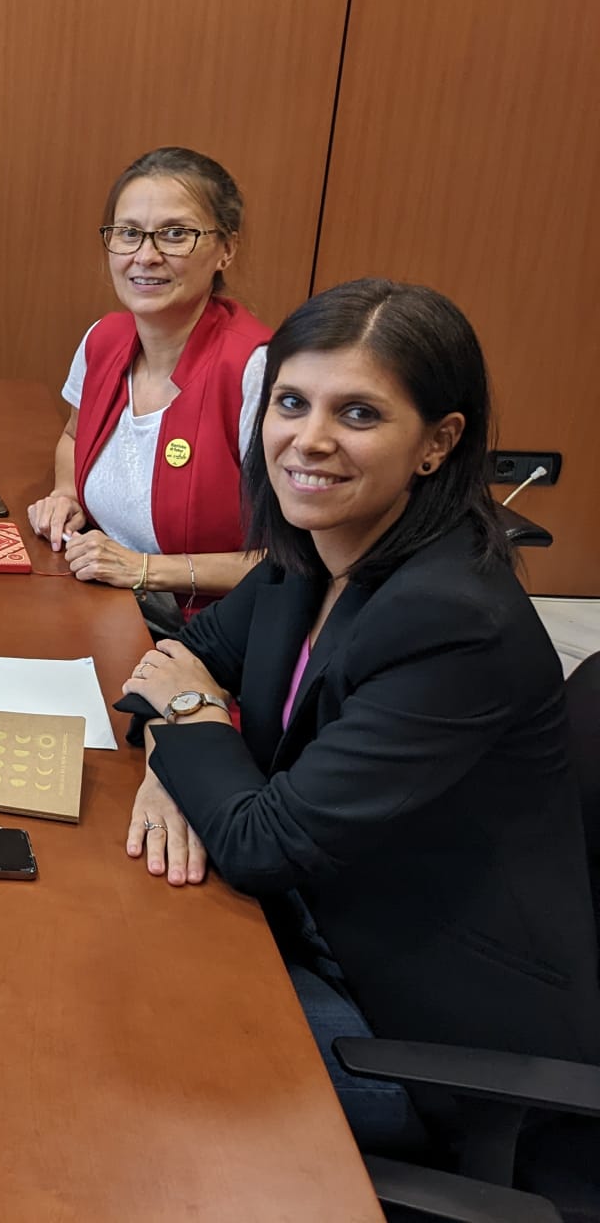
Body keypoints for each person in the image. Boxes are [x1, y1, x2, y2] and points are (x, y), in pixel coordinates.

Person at [119, 279, 600, 1155]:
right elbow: (163, 668)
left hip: (412, 1029)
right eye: (292, 402)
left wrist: (188, 714)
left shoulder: (453, 622)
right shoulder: (313, 549)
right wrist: (170, 750)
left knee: (111, 1041)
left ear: (437, 443)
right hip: (306, 920)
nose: (310, 440)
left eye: (360, 414)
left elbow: (259, 839)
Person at [27, 148, 269, 635]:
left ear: (226, 249)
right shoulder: (105, 338)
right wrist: (66, 492)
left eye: (176, 234)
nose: (146, 255)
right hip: (100, 601)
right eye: (129, 233)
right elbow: (75, 438)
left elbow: (292, 559)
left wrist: (142, 570)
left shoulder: (257, 370)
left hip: (208, 634)